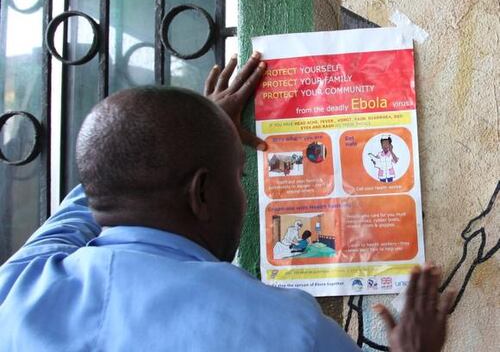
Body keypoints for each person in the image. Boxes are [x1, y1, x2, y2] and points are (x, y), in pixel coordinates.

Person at [0, 52, 455, 352]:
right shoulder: (285, 330)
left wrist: (204, 131)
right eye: (237, 175)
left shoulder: (16, 290)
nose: (244, 194)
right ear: (201, 194)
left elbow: (97, 190)